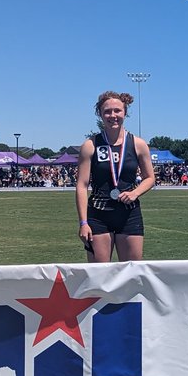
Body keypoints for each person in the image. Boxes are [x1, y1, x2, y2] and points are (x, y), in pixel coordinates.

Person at [76, 91, 156, 262]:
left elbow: (150, 178)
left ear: (125, 112)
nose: (113, 115)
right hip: (98, 214)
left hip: (129, 214)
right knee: (99, 275)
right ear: (100, 114)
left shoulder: (138, 144)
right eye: (107, 111)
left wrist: (135, 193)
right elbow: (82, 185)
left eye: (117, 111)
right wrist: (83, 223)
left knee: (131, 273)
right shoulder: (90, 145)